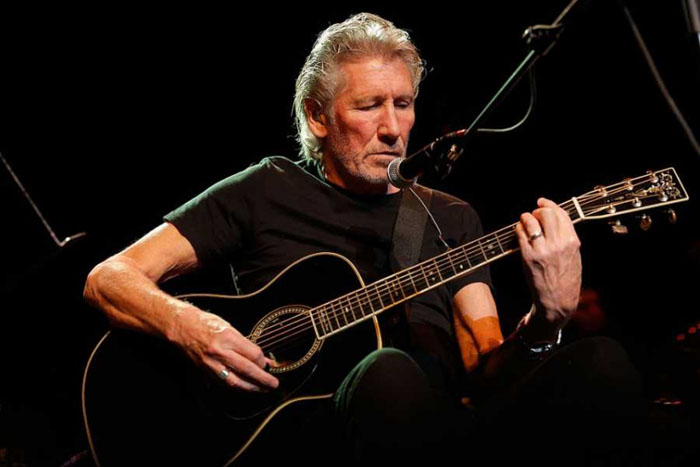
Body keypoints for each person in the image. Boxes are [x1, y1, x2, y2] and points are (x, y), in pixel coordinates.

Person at [84, 13, 645, 466]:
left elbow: (487, 372)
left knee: (602, 363)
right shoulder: (263, 190)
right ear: (318, 116)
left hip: (442, 430)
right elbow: (108, 278)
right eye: (369, 106)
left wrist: (546, 321)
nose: (393, 128)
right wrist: (192, 328)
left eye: (403, 103)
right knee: (387, 373)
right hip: (306, 435)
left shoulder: (449, 217)